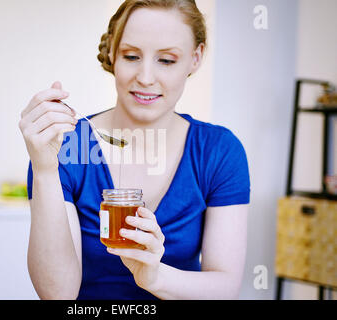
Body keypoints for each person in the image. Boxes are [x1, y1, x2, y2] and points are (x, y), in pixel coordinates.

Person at [19, 0, 250, 300]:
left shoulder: (218, 151)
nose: (145, 77)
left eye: (166, 60)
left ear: (195, 58)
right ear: (113, 52)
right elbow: (57, 295)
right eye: (131, 56)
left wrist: (155, 278)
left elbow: (225, 288)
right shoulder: (66, 146)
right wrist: (44, 170)